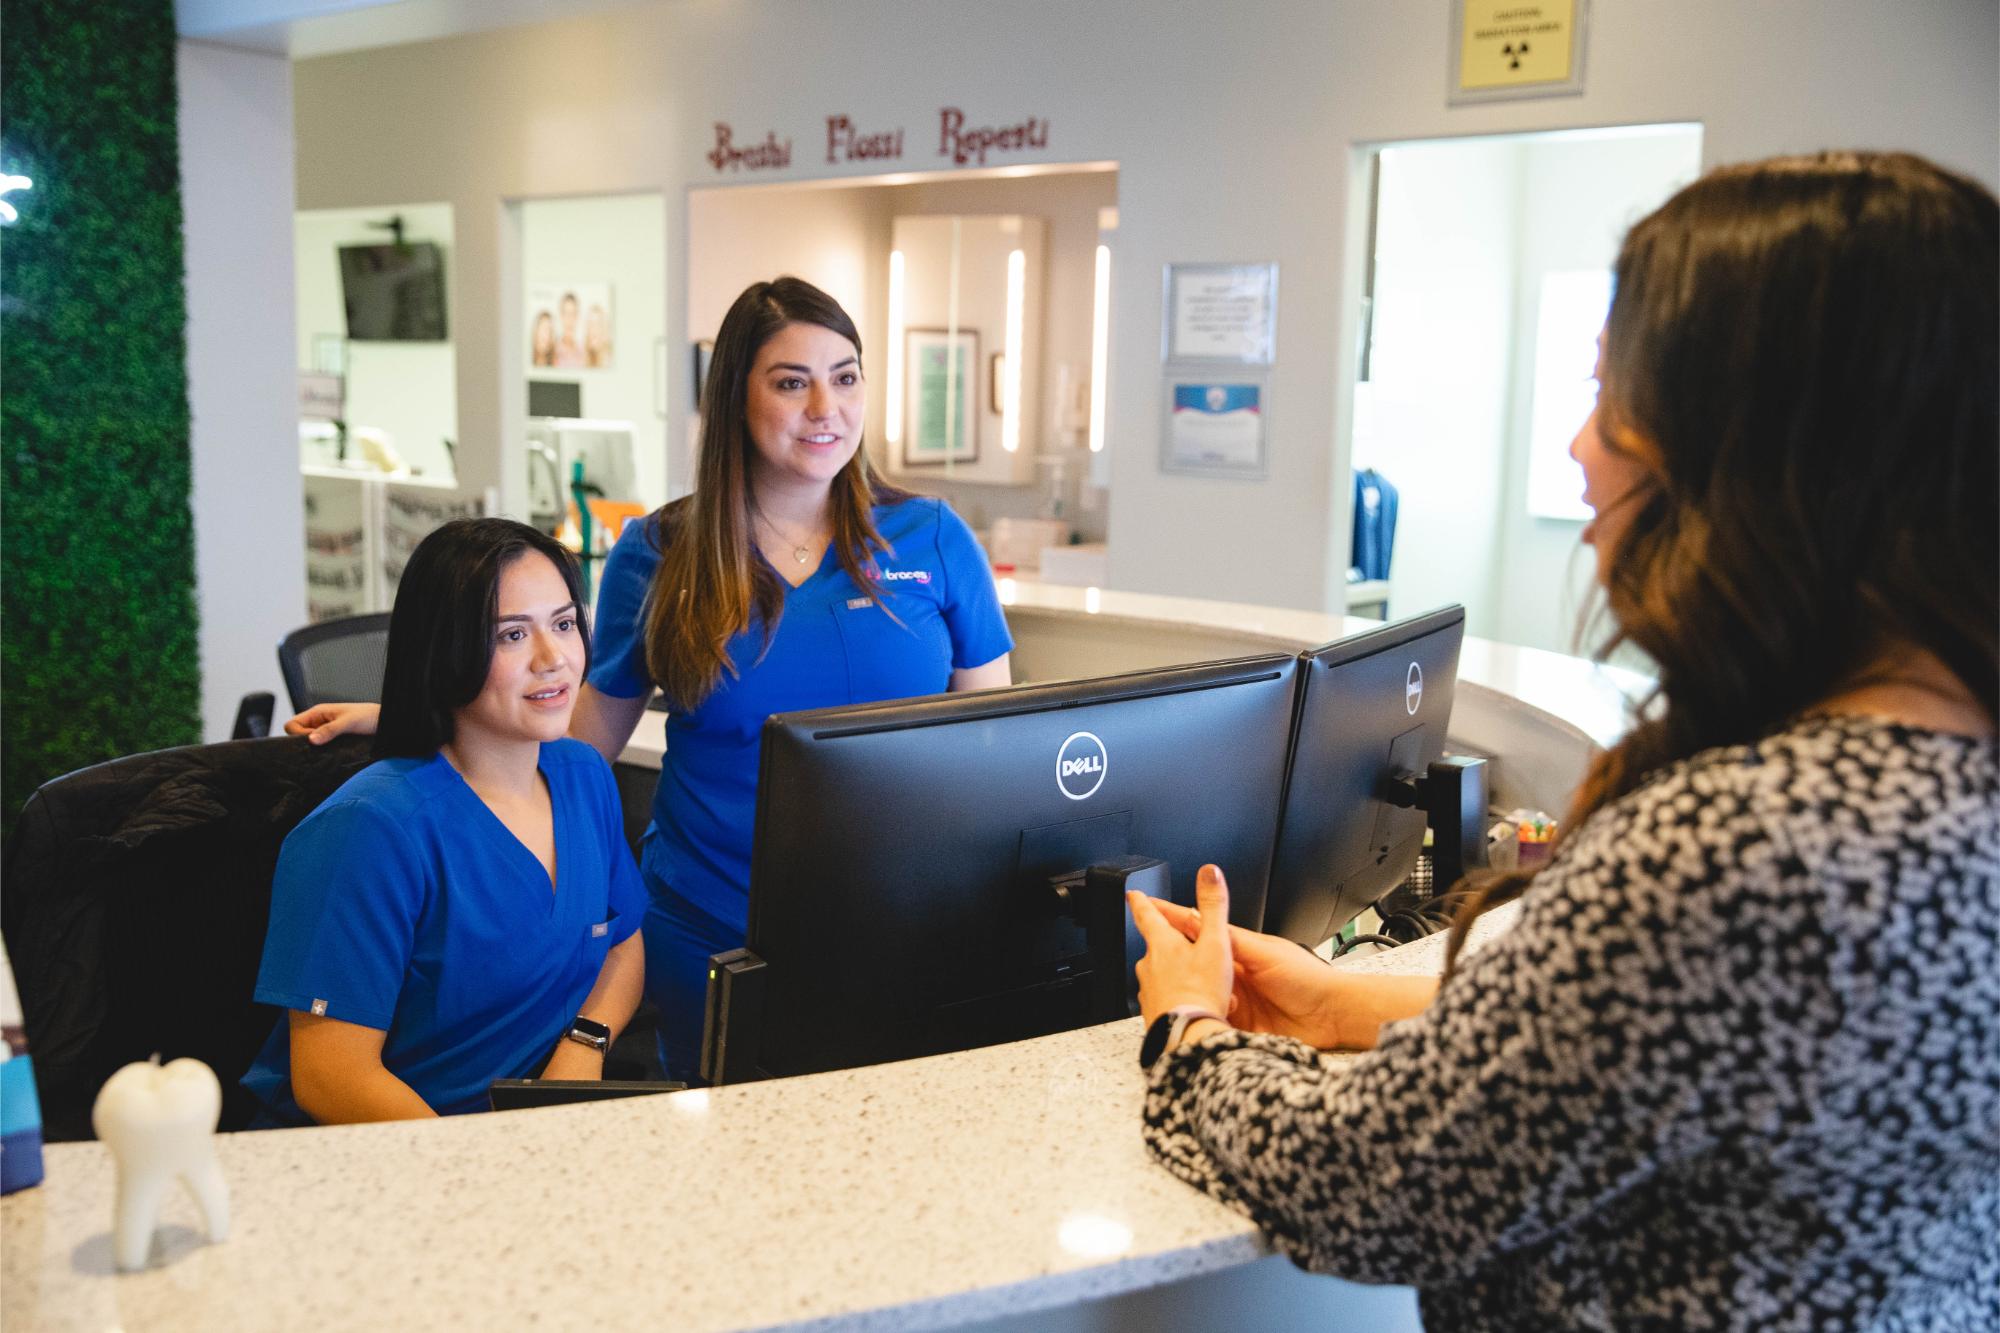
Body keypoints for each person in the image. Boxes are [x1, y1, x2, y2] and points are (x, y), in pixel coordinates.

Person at [1128, 151, 1998, 1330]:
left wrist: (1184, 1033)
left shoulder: (1734, 844)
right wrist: (1344, 1009)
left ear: (1749, 446)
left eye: (1610, 398)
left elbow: (1373, 1185)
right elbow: (1715, 1070)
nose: (1577, 451)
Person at [288, 277, 1014, 1081]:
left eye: (845, 377)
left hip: (898, 917)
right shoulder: (663, 550)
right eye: (790, 381)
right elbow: (580, 740)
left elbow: (992, 753)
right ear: (734, 396)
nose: (825, 408)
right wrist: (435, 707)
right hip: (715, 926)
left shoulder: (935, 539)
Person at [246, 519, 647, 1124]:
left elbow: (622, 947)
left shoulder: (583, 774)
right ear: (446, 648)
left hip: (533, 1136)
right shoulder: (370, 830)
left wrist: (582, 1048)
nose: (554, 659)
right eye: (512, 635)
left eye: (564, 624)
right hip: (391, 1159)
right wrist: (476, 1174)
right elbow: (332, 1077)